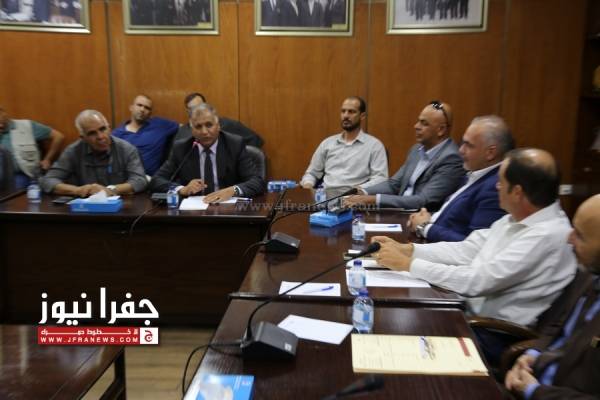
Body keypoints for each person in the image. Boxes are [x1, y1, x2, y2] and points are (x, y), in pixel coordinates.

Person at [372, 148, 577, 327]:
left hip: (491, 331)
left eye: (500, 182)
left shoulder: (546, 235)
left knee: (395, 323)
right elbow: (466, 250)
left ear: (517, 192)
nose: (496, 187)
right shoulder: (515, 218)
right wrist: (410, 250)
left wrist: (408, 264)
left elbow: (478, 281)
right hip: (466, 309)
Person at [504, 194, 600, 400]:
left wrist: (533, 391)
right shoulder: (589, 272)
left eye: (580, 236)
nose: (569, 239)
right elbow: (557, 325)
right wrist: (532, 356)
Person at [408, 115, 513, 242]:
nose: (461, 150)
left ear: (490, 153)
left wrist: (425, 227)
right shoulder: (473, 174)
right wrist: (425, 218)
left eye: (469, 145)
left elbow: (473, 245)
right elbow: (452, 218)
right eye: (462, 143)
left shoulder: (495, 188)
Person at [344, 100, 464, 211]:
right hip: (399, 213)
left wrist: (372, 200)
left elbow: (423, 200)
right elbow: (393, 185)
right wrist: (362, 192)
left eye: (424, 123)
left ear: (441, 130)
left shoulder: (451, 158)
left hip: (422, 218)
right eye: (419, 121)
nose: (416, 126)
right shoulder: (416, 150)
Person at [150, 103, 264, 203]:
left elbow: (257, 182)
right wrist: (182, 189)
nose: (204, 132)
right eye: (198, 127)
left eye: (209, 125)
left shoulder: (235, 145)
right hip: (194, 212)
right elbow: (156, 180)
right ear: (192, 130)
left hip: (228, 208)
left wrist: (232, 190)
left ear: (218, 126)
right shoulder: (182, 148)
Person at [40, 110, 147, 197]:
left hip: (120, 208)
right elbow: (48, 181)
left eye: (103, 129)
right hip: (84, 209)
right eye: (92, 133)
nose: (100, 137)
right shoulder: (73, 151)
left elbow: (140, 181)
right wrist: (77, 190)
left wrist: (110, 190)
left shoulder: (126, 149)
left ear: (109, 128)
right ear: (83, 138)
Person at [300, 96, 388, 190]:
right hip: (325, 195)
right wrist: (308, 186)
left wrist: (359, 189)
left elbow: (380, 179)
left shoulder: (374, 146)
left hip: (355, 196)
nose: (346, 116)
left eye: (351, 112)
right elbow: (311, 173)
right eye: (343, 111)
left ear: (362, 116)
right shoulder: (327, 143)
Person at [112, 95, 179, 176]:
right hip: (128, 178)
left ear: (150, 113)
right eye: (139, 105)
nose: (142, 109)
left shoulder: (160, 125)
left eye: (147, 108)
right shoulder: (117, 134)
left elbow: (184, 127)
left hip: (151, 179)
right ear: (131, 107)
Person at [0, 107, 64, 189]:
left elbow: (58, 136)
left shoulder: (26, 126)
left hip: (22, 175)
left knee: (12, 189)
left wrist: (47, 159)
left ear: (4, 114)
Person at [174, 93, 264, 148]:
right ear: (188, 112)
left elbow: (256, 140)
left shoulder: (227, 124)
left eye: (200, 106)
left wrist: (237, 156)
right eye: (193, 109)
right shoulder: (182, 132)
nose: (198, 111)